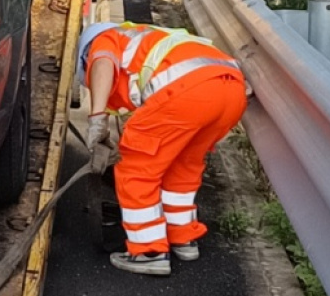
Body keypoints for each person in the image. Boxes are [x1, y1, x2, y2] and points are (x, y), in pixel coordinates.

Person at [76, 21, 248, 276]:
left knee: (136, 165)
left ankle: (149, 251)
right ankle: (183, 237)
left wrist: (97, 118)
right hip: (232, 91)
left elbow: (102, 62)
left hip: (185, 92)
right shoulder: (155, 39)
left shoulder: (105, 38)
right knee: (183, 165)